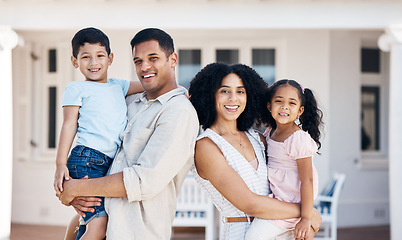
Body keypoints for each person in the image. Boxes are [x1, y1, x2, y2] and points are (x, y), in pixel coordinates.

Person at [58, 28, 199, 239]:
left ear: (173, 59)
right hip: (103, 223)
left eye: (153, 58)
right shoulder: (131, 102)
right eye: (138, 61)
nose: (145, 67)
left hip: (134, 232)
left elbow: (143, 181)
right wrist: (74, 194)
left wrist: (76, 187)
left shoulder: (178, 111)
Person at [189, 63, 321, 240]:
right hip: (242, 233)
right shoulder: (207, 146)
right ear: (210, 94)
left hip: (283, 231)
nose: (233, 99)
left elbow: (295, 177)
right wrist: (307, 212)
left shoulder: (258, 138)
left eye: (241, 91)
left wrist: (308, 220)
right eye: (224, 91)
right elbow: (249, 204)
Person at [53, 27, 145, 240]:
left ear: (110, 58)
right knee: (99, 226)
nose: (93, 63)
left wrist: (179, 90)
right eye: (86, 57)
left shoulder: (118, 85)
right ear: (75, 61)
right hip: (87, 159)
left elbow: (150, 87)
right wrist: (60, 164)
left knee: (92, 224)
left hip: (108, 163)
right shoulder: (76, 89)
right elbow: (68, 125)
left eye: (100, 56)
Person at [245, 79, 324, 240]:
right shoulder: (270, 132)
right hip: (277, 202)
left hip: (290, 206)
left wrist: (306, 218)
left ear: (300, 111)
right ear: (269, 106)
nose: (284, 107)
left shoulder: (297, 139)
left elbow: (307, 180)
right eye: (278, 101)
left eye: (292, 103)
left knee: (253, 237)